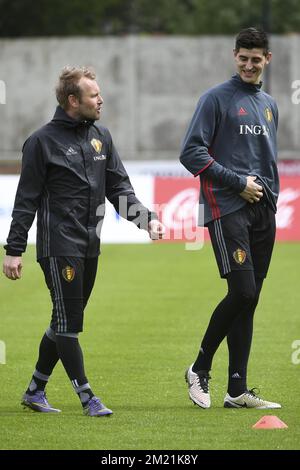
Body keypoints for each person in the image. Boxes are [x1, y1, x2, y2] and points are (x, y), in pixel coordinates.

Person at [2, 66, 164, 417]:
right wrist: (14, 250)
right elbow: (25, 200)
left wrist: (146, 220)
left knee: (64, 319)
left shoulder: (101, 136)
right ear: (73, 101)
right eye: (94, 95)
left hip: (91, 244)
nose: (101, 99)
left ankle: (34, 390)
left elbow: (119, 189)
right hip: (58, 246)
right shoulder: (41, 142)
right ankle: (87, 396)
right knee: (68, 323)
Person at [180, 28, 281, 409]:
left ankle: (237, 389)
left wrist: (269, 197)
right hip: (227, 208)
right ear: (234, 55)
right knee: (243, 292)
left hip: (262, 210)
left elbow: (266, 161)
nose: (250, 65)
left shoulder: (270, 104)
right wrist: (239, 184)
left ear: (267, 59)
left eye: (257, 59)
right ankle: (198, 368)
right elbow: (191, 153)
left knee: (249, 301)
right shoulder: (215, 99)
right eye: (244, 58)